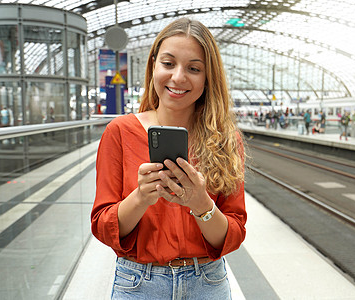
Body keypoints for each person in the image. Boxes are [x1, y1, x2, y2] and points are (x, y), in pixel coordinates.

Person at [91, 18, 246, 300]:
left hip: (208, 283)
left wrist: (202, 205)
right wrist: (140, 198)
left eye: (194, 68)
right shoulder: (119, 133)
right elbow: (103, 226)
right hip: (138, 284)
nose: (178, 77)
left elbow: (232, 235)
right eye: (168, 63)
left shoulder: (225, 139)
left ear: (208, 77)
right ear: (153, 66)